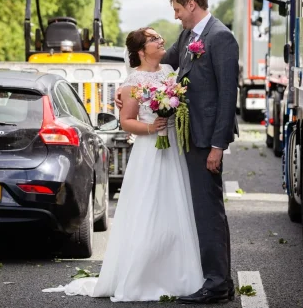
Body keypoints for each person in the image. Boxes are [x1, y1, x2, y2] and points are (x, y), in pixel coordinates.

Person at [42, 27, 205, 302]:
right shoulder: (132, 82)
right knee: (147, 208)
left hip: (173, 148)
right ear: (141, 50)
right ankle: (141, 276)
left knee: (175, 207)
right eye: (153, 39)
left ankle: (179, 273)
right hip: (149, 151)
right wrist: (152, 127)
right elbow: (127, 121)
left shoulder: (169, 72)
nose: (160, 40)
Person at [115, 0, 239, 304]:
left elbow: (227, 97)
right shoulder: (187, 38)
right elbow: (153, 67)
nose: (176, 16)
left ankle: (217, 283)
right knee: (200, 210)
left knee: (209, 211)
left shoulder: (221, 38)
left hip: (205, 140)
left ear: (192, 5)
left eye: (178, 9)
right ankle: (217, 278)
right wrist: (124, 90)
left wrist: (218, 145)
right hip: (185, 139)